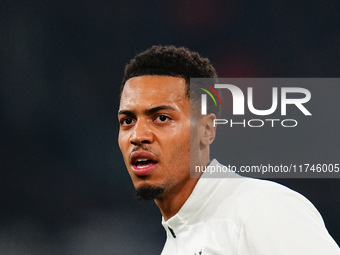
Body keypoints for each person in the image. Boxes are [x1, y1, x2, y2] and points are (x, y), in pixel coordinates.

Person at [117, 45, 340, 254]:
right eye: (127, 120)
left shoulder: (261, 209)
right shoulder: (177, 242)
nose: (138, 136)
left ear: (206, 130)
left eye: (162, 118)